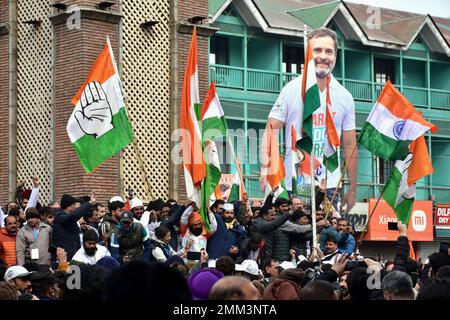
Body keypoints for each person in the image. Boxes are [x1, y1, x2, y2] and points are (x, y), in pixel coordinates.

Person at [261, 27, 357, 213]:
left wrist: (352, 187)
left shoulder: (345, 97)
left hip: (329, 183)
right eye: (317, 50)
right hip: (295, 180)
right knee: (298, 232)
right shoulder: (291, 89)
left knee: (326, 234)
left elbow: (350, 144)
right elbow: (271, 128)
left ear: (335, 55)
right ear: (309, 53)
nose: (323, 56)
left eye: (329, 51)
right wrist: (267, 168)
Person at [52, 193, 94, 260]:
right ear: (68, 206)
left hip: (71, 253)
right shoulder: (60, 216)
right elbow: (73, 216)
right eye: (74, 204)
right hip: (64, 255)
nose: (76, 207)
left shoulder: (65, 217)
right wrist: (89, 203)